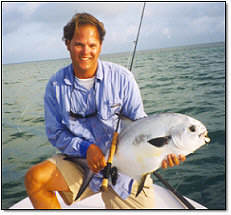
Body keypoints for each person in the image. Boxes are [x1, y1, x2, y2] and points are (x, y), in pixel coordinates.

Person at [24, 13, 185, 209]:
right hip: (81, 164)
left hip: (126, 170)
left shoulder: (123, 78)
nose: (86, 51)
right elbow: (55, 133)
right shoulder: (56, 86)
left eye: (92, 45)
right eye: (78, 44)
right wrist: (86, 148)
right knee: (35, 178)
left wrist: (162, 154)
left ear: (100, 46)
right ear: (67, 44)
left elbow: (141, 125)